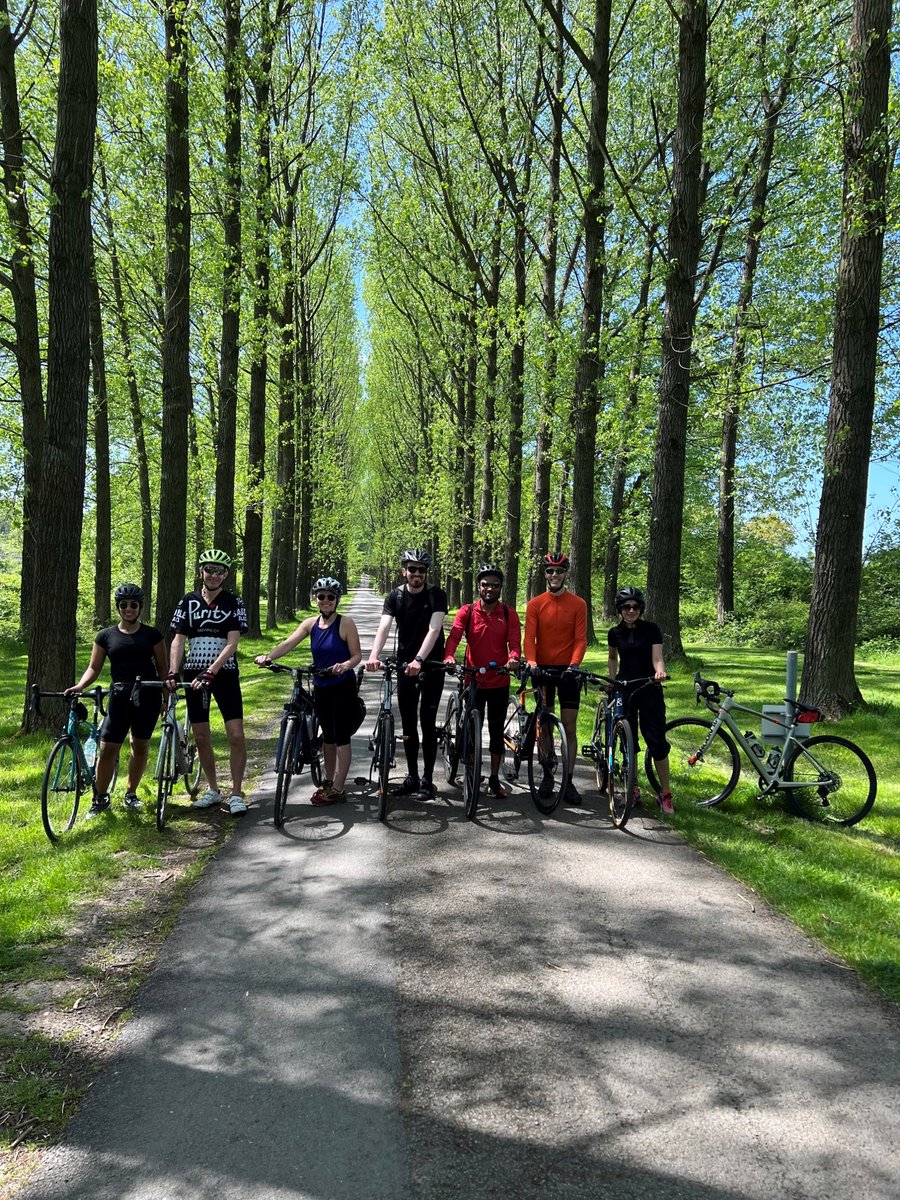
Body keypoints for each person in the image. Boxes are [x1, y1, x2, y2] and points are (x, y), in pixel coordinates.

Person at [255, 577, 362, 805]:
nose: (325, 601)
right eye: (321, 596)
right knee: (328, 738)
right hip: (321, 684)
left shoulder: (346, 623)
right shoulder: (311, 624)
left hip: (342, 685)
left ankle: (339, 788)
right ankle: (328, 781)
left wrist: (345, 665)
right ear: (315, 598)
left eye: (330, 597)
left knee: (341, 736)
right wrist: (268, 657)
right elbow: (288, 642)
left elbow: (356, 656)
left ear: (336, 600)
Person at [65, 584, 168, 817]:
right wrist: (80, 686)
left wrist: (165, 698)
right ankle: (100, 798)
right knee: (108, 747)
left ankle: (131, 794)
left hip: (148, 696)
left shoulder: (152, 635)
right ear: (118, 607)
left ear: (140, 607)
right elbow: (94, 667)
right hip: (120, 697)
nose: (129, 609)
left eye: (133, 605)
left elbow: (163, 668)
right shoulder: (105, 636)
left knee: (139, 744)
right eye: (124, 605)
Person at [168, 548, 249, 815]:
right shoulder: (187, 601)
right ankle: (213, 789)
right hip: (193, 673)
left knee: (235, 734)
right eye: (209, 569)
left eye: (219, 571)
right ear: (200, 571)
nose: (213, 575)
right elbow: (178, 639)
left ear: (225, 574)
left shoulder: (233, 602)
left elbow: (233, 642)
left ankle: (237, 792)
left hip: (223, 673)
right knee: (201, 735)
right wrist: (172, 671)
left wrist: (212, 670)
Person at [366, 547, 447, 800]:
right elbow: (384, 627)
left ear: (426, 573)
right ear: (404, 571)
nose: (417, 574)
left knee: (427, 721)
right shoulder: (395, 597)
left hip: (430, 663)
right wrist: (373, 656)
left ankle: (427, 780)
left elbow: (434, 630)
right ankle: (411, 776)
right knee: (409, 722)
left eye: (421, 570)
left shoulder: (437, 595)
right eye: (412, 569)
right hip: (405, 665)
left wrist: (420, 659)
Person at [443, 565, 521, 798]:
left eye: (494, 585)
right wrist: (449, 656)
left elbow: (515, 643)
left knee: (497, 733)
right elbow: (454, 637)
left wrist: (514, 658)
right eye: (485, 584)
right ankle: (471, 768)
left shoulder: (508, 614)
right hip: (473, 678)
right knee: (470, 728)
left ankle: (495, 778)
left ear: (500, 588)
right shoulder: (467, 612)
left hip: (499, 680)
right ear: (478, 586)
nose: (489, 588)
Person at [523, 551, 587, 804]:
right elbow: (529, 638)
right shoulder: (536, 604)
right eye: (550, 571)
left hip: (568, 670)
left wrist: (574, 665)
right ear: (545, 574)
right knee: (545, 723)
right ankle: (548, 775)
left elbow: (581, 639)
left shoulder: (578, 604)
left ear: (566, 574)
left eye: (559, 571)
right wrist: (531, 662)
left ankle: (568, 781)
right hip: (543, 669)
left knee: (569, 727)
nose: (554, 575)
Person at [607, 586, 673, 814]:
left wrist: (660, 672)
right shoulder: (614, 633)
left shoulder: (652, 629)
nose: (631, 610)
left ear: (641, 608)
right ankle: (631, 790)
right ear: (620, 609)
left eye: (635, 607)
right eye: (626, 607)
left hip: (649, 686)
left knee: (656, 742)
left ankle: (665, 794)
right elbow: (613, 658)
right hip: (626, 688)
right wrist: (612, 680)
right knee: (629, 742)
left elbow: (658, 658)